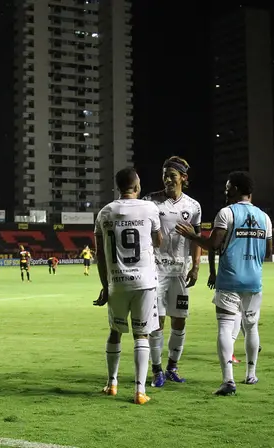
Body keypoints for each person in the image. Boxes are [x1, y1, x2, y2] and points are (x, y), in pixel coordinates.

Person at [178, 172, 274, 395]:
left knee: (225, 328)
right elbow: (269, 252)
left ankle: (228, 380)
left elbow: (212, 245)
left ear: (235, 188)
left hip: (230, 280)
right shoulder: (265, 218)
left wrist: (191, 235)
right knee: (251, 327)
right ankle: (251, 374)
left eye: (228, 187)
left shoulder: (226, 213)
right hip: (254, 281)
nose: (225, 191)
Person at [93, 167, 162, 405]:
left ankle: (112, 384)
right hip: (144, 281)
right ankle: (139, 391)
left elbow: (99, 254)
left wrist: (105, 285)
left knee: (115, 332)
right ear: (137, 185)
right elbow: (158, 241)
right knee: (141, 334)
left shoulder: (105, 212)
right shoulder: (150, 208)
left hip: (117, 282)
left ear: (118, 187)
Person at [142, 156, 202, 387]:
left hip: (179, 272)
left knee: (180, 320)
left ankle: (172, 367)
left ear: (183, 178)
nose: (167, 179)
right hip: (155, 271)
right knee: (157, 321)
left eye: (172, 175)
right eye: (165, 175)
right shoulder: (151, 202)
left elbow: (196, 239)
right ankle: (156, 370)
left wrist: (195, 267)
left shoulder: (193, 206)